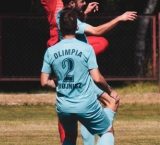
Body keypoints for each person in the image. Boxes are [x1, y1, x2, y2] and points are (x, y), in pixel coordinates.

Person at [37, 0, 118, 145]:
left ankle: (86, 85)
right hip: (58, 45)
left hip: (75, 43)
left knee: (101, 43)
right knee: (68, 102)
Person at [41, 8, 119, 145]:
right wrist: (110, 91)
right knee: (106, 131)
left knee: (70, 137)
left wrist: (60, 84)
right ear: (77, 27)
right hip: (86, 104)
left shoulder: (51, 51)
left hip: (63, 106)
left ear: (59, 27)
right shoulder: (86, 48)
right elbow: (97, 78)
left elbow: (44, 82)